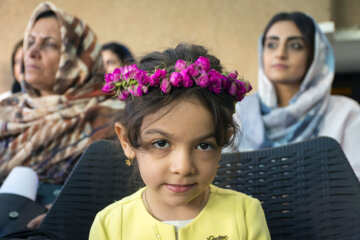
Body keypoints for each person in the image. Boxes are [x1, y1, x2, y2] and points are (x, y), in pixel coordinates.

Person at [89, 43, 270, 239]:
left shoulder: (245, 215)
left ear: (222, 142)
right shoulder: (111, 225)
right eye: (161, 143)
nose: (183, 168)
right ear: (127, 141)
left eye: (203, 145)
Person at [0, 2, 123, 227]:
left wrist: (70, 210)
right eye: (30, 41)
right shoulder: (6, 111)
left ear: (77, 60)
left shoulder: (110, 118)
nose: (32, 52)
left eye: (50, 44)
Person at [231, 12, 360, 180]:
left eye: (295, 46)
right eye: (271, 44)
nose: (280, 54)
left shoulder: (345, 114)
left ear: (315, 55)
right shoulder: (241, 111)